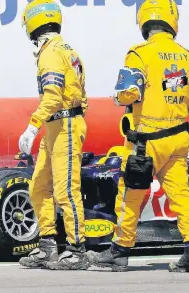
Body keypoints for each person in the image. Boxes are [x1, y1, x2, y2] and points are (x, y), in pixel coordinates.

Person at [87, 0, 189, 273]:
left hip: (146, 142)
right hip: (179, 138)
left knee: (130, 196)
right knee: (181, 196)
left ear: (144, 21)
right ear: (172, 19)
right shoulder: (184, 55)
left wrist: (118, 97)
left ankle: (118, 252)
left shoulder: (139, 54)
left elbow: (129, 92)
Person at [17, 0, 90, 270]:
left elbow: (53, 96)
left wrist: (32, 125)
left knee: (66, 190)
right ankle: (48, 245)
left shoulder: (50, 53)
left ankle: (76, 249)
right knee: (38, 185)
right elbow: (81, 94)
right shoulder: (68, 51)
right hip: (59, 125)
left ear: (33, 23)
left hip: (63, 125)